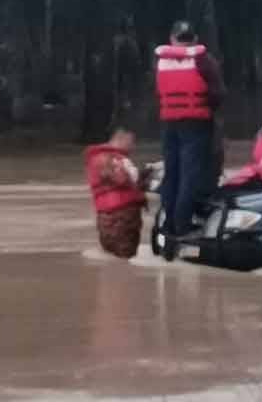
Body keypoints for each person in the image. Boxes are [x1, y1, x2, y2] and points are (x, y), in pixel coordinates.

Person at [155, 20, 226, 260]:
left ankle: (167, 224)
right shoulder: (204, 60)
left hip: (169, 123)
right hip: (196, 124)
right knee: (190, 175)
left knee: (171, 173)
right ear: (194, 38)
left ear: (173, 39)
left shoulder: (162, 60)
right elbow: (218, 94)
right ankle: (181, 227)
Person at [84, 128, 150, 259]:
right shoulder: (107, 158)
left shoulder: (110, 157)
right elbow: (121, 179)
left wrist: (142, 176)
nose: (133, 146)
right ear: (120, 139)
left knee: (120, 261)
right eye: (130, 142)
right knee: (124, 261)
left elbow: (124, 183)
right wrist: (136, 175)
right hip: (118, 219)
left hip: (116, 218)